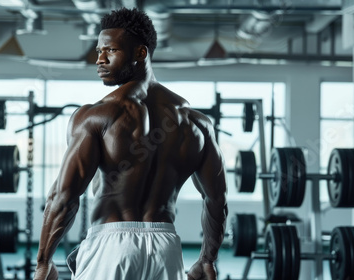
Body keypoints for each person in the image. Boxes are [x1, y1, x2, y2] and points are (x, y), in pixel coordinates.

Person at [34, 7, 228, 280]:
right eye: (99, 51)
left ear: (141, 53)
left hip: (111, 245)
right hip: (166, 248)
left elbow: (64, 197)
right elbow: (216, 199)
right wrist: (207, 259)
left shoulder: (97, 115)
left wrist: (44, 262)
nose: (99, 60)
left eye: (110, 51)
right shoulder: (197, 124)